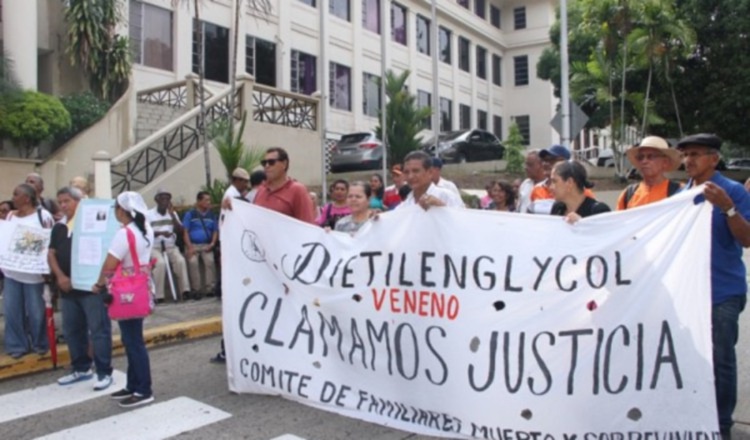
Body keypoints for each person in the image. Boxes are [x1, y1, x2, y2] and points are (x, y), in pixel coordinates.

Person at [676, 133, 750, 439]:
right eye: (685, 155)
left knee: (720, 359)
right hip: (690, 293)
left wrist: (728, 208)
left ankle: (721, 425)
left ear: (714, 159)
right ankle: (695, 416)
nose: (688, 160)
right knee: (690, 358)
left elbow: (746, 239)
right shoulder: (680, 196)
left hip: (723, 292)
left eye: (696, 154)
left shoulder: (732, 191)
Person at [92, 192, 155, 408]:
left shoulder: (124, 233)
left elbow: (110, 263)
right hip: (140, 289)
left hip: (125, 292)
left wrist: (99, 284)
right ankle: (132, 384)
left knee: (133, 341)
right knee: (131, 339)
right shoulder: (145, 229)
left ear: (122, 210)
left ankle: (144, 389)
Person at [49, 187, 113, 390]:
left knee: (99, 330)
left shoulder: (94, 225)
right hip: (69, 290)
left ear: (80, 202)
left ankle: (104, 372)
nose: (63, 205)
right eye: (60, 202)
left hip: (92, 289)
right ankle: (81, 368)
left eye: (67, 201)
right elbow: (51, 253)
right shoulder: (59, 227)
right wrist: (60, 276)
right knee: (72, 331)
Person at [2, 184, 54, 358]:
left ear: (27, 198)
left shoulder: (43, 216)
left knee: (36, 312)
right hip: (12, 273)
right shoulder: (10, 216)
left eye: (16, 194)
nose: (13, 197)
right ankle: (17, 346)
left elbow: (50, 240)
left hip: (34, 275)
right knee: (12, 311)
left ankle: (40, 343)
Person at [617, 136, 682, 210]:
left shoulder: (680, 192)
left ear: (665, 162)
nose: (644, 161)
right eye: (641, 157)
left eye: (651, 157)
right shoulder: (627, 195)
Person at [148, 189, 190, 302]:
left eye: (167, 199)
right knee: (160, 264)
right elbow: (146, 232)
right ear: (156, 200)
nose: (165, 201)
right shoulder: (149, 214)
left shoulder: (172, 214)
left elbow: (180, 230)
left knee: (180, 261)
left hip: (170, 246)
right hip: (155, 247)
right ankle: (159, 296)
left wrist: (173, 216)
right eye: (163, 198)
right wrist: (160, 233)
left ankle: (185, 291)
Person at [253, 147, 316, 223]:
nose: (267, 166)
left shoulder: (298, 190)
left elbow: (308, 225)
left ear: (284, 164)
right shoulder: (261, 190)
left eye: (271, 162)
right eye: (264, 163)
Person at [529, 145, 595, 214]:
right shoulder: (537, 189)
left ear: (565, 162)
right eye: (544, 160)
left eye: (551, 160)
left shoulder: (583, 192)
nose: (545, 164)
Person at [398, 151, 464, 210]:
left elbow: (463, 221)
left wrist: (441, 207)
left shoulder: (447, 196)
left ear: (430, 172)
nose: (410, 176)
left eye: (416, 171)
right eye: (406, 172)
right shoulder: (403, 207)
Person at [183, 191, 218, 299]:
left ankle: (210, 289)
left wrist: (212, 244)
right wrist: (189, 247)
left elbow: (215, 231)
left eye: (209, 200)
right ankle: (196, 290)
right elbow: (185, 232)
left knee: (210, 261)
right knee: (193, 262)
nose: (208, 202)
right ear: (199, 201)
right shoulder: (190, 214)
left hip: (206, 245)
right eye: (206, 200)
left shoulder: (212, 215)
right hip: (193, 245)